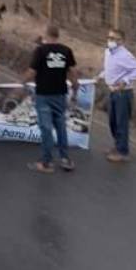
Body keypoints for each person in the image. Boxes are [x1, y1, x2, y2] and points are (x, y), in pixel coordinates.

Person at [22, 23, 80, 174]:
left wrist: (21, 82)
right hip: (60, 95)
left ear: (46, 35)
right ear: (57, 36)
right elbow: (73, 72)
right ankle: (65, 159)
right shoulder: (67, 51)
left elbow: (31, 72)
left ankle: (46, 162)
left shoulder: (40, 51)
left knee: (46, 128)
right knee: (61, 127)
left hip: (44, 95)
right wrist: (75, 88)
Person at [98, 29, 136, 163]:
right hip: (112, 90)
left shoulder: (125, 55)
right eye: (110, 37)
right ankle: (117, 146)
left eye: (115, 38)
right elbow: (109, 69)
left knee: (121, 122)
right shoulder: (108, 52)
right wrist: (100, 76)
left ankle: (122, 151)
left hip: (123, 93)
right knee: (112, 121)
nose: (111, 40)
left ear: (122, 41)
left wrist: (125, 82)